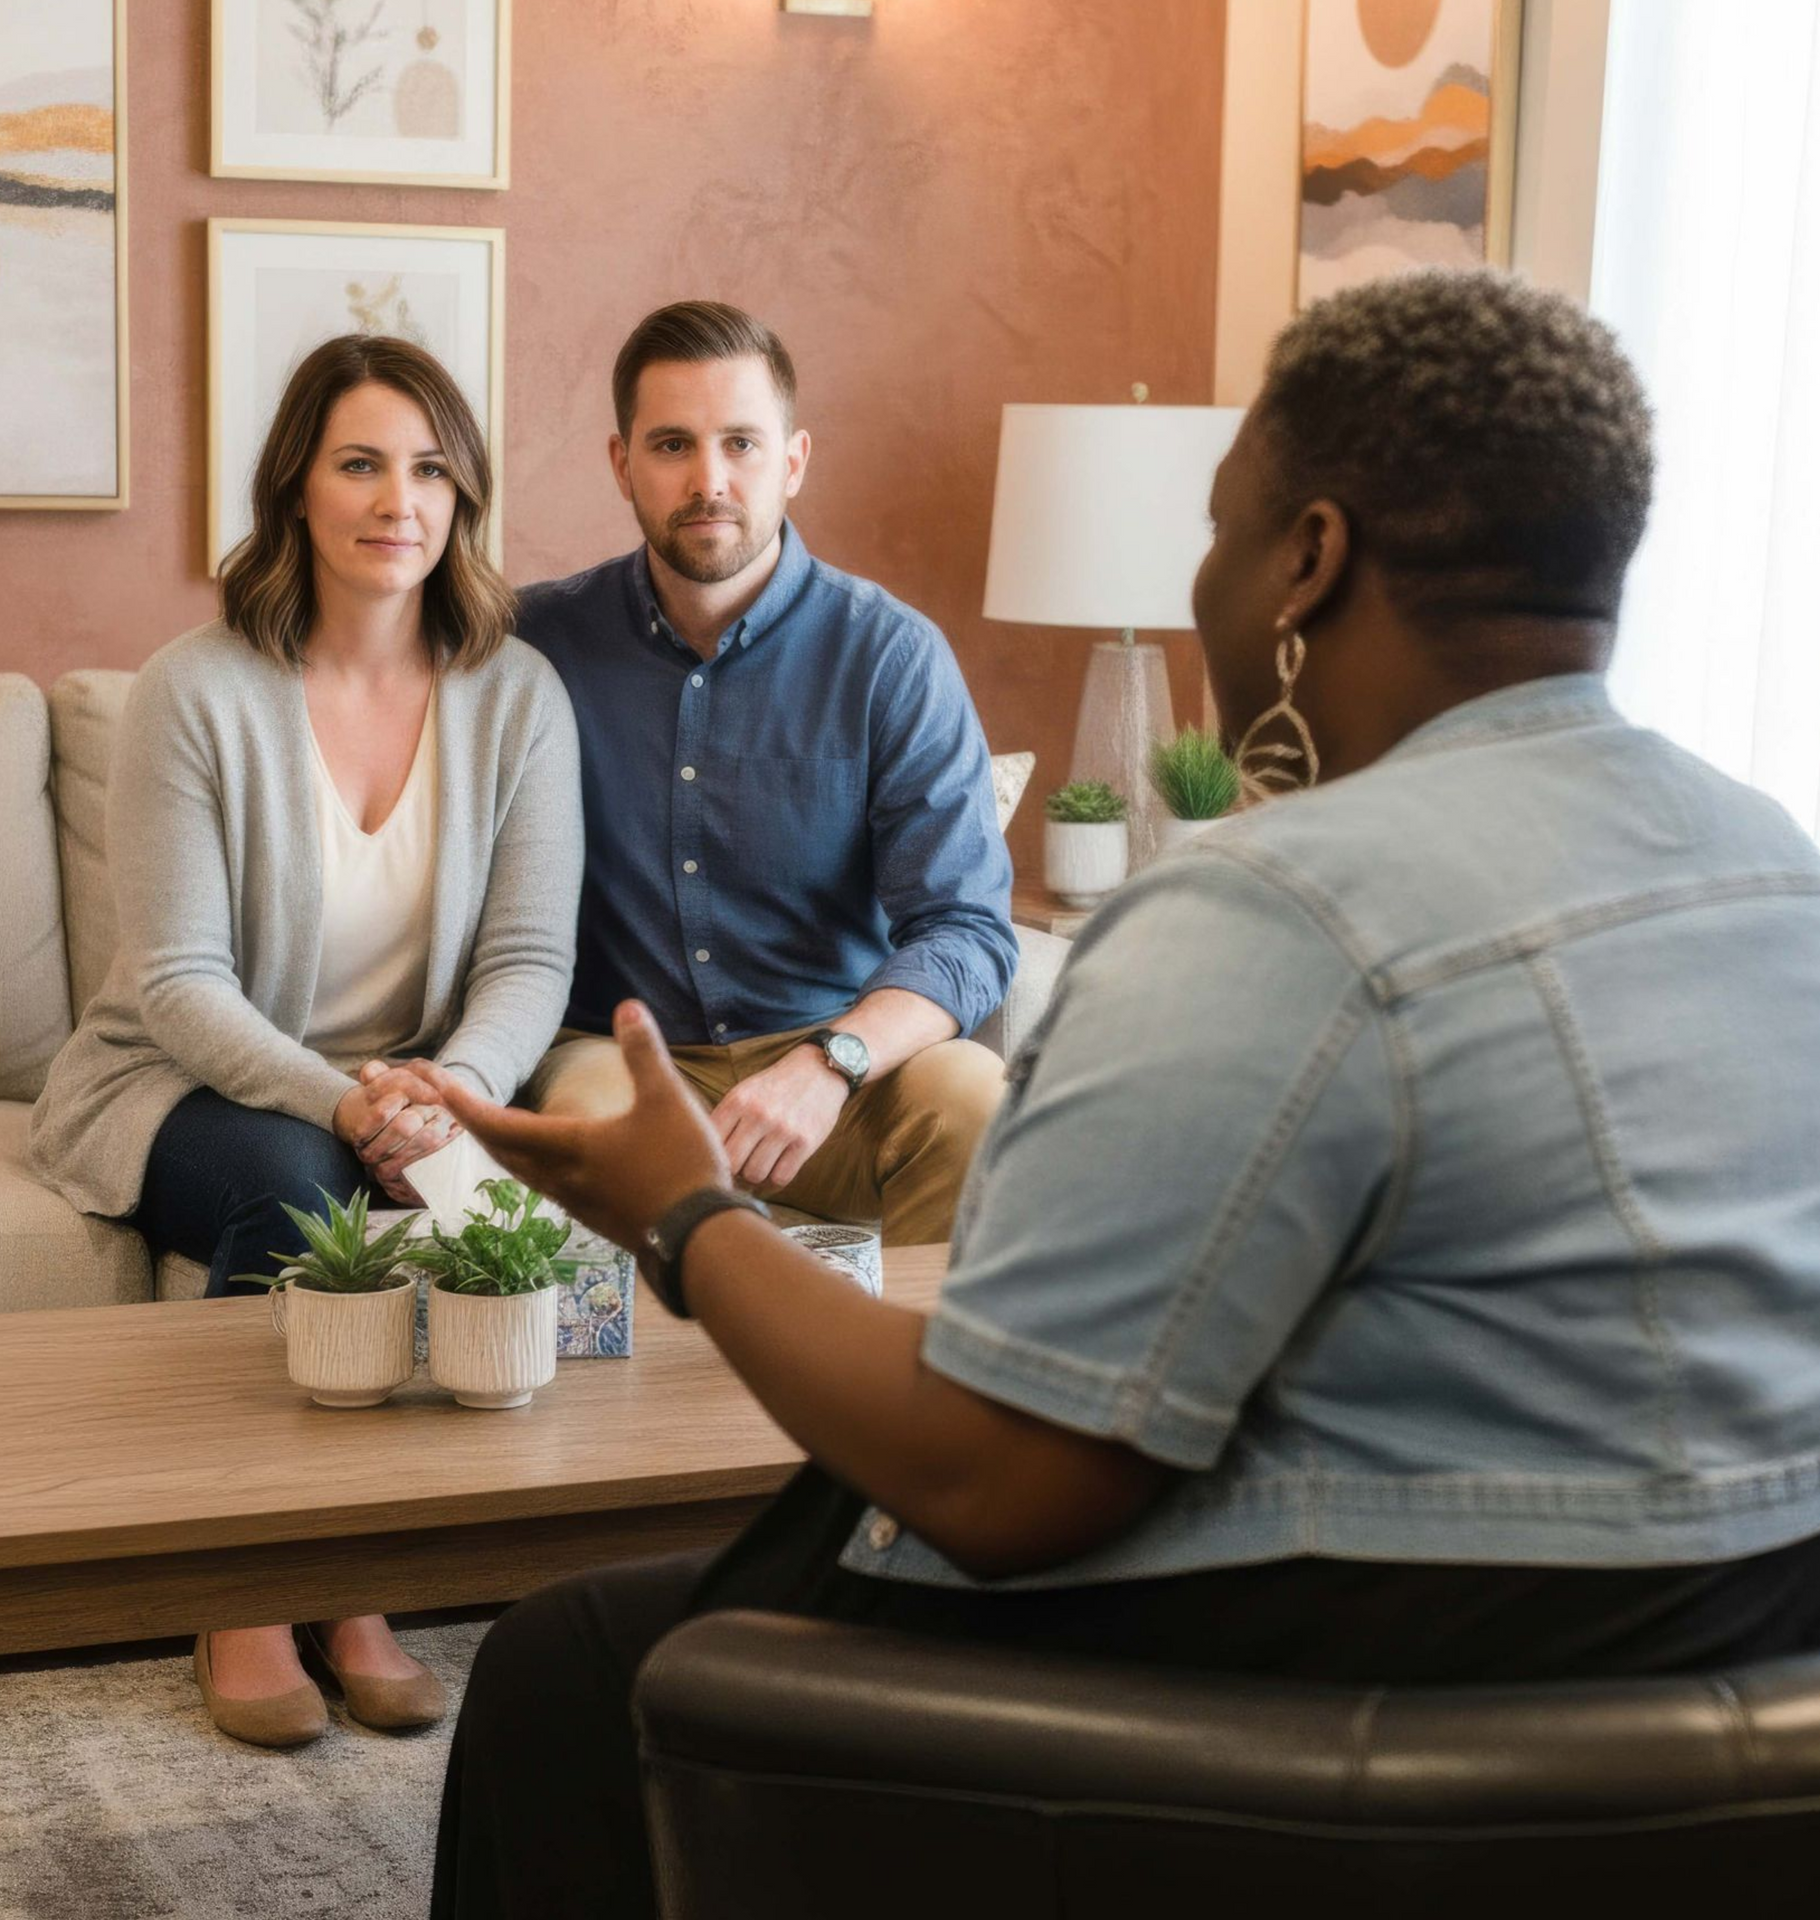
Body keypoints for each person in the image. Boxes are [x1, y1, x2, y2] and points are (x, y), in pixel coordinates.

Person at [421, 267, 1820, 1919]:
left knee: (558, 1665)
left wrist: (689, 1217)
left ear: (1308, 559)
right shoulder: (1771, 862)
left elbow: (998, 1487)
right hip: (1715, 1704)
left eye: (1220, 531)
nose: (1207, 579)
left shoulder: (1263, 911)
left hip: (1333, 1704)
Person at [31, 334, 583, 1750]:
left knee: (516, 1230)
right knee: (299, 1187)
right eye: (359, 463)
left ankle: (356, 1582)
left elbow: (528, 959)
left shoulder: (518, 696)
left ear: (462, 500)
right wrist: (351, 1107)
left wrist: (450, 1096)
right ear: (296, 485)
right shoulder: (194, 689)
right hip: (184, 1084)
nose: (397, 499)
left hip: (423, 1088)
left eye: (428, 469)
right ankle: (258, 1588)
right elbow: (178, 986)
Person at [513, 301, 1017, 1247]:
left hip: (837, 1063)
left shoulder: (891, 658)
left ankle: (907, 1388)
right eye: (672, 445)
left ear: (793, 460)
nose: (710, 480)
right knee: (592, 1125)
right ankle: (644, 1398)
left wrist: (832, 1063)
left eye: (741, 443)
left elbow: (968, 929)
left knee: (976, 1104)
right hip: (619, 1056)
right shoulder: (533, 643)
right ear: (621, 464)